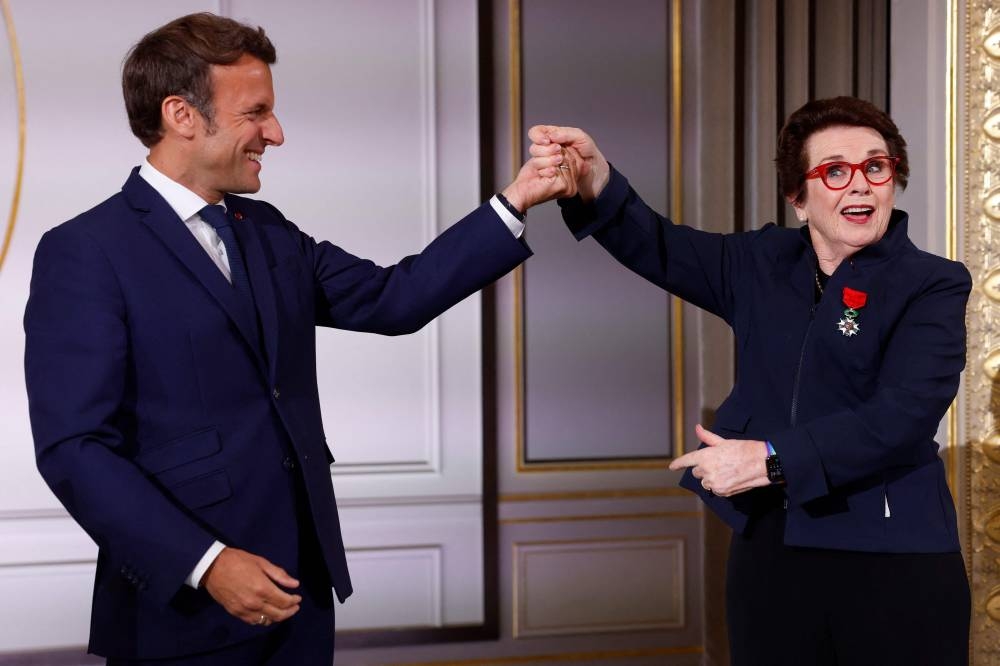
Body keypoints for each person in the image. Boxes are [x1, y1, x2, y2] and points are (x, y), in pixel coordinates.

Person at [23, 12, 575, 666]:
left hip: (299, 596)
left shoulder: (269, 231)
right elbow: (76, 449)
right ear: (181, 115)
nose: (276, 134)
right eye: (256, 113)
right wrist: (208, 564)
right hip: (181, 615)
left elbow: (394, 299)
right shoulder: (85, 252)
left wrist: (515, 200)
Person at [530, 97, 971, 665]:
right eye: (835, 171)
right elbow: (660, 246)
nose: (860, 185)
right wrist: (595, 181)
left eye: (876, 167)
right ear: (798, 197)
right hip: (771, 552)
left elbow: (905, 415)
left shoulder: (933, 282)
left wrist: (770, 459)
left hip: (894, 556)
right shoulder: (760, 261)